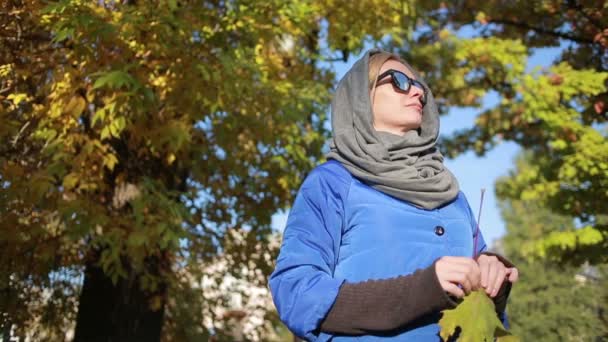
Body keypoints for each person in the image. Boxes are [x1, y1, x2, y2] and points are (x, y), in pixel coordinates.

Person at [268, 49, 519, 341]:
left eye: (420, 86)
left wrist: (492, 276)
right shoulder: (332, 182)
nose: (417, 92)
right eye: (399, 80)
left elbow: (484, 317)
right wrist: (425, 288)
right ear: (361, 97)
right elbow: (296, 293)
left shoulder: (452, 194)